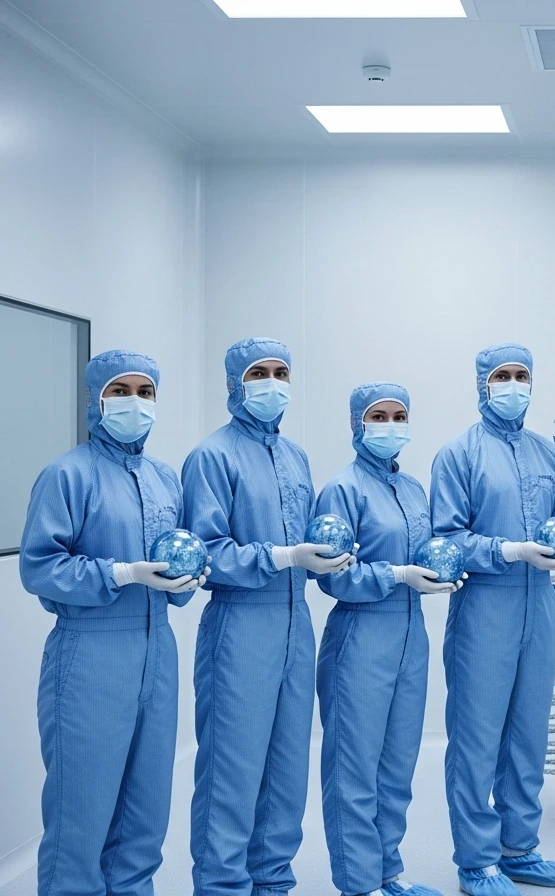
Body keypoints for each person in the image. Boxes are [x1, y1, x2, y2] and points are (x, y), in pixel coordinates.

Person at [21, 350, 208, 896]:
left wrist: (184, 581)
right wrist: (123, 572)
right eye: (121, 390)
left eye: (146, 391)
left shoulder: (164, 479)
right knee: (82, 811)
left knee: (145, 812)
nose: (135, 402)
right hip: (90, 657)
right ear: (95, 399)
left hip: (158, 652)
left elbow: (175, 566)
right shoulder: (67, 474)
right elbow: (40, 567)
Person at [183, 337, 355, 896]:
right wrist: (282, 557)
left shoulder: (296, 457)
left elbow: (314, 544)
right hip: (239, 624)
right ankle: (220, 885)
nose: (274, 382)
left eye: (283, 371)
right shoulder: (212, 456)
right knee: (232, 770)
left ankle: (272, 881)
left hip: (294, 622)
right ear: (235, 383)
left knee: (286, 767)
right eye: (261, 371)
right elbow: (204, 552)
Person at [430, 343, 555, 896]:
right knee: (476, 738)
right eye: (503, 376)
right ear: (482, 385)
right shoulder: (458, 455)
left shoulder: (547, 455)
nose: (514, 385)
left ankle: (520, 848)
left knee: (527, 733)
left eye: (522, 375)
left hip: (538, 606)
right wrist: (512, 551)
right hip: (483, 609)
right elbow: (444, 541)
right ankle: (476, 861)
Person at [316, 383, 464, 896]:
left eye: (399, 415)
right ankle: (358, 884)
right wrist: (397, 575)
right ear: (357, 423)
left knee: (398, 763)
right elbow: (333, 576)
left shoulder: (413, 489)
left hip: (410, 635)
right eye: (378, 415)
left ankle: (387, 871)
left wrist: (442, 573)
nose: (390, 424)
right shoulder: (343, 489)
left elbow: (427, 555)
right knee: (354, 767)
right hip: (360, 635)